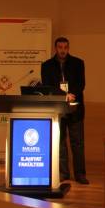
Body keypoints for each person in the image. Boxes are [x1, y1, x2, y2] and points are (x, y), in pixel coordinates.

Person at [41, 36, 88, 184]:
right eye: (60, 47)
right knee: (60, 142)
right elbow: (47, 86)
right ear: (56, 48)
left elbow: (81, 84)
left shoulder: (78, 63)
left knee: (77, 143)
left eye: (65, 47)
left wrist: (71, 94)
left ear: (68, 48)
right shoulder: (47, 66)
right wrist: (63, 95)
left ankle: (80, 174)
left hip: (75, 109)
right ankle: (63, 173)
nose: (63, 50)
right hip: (58, 109)